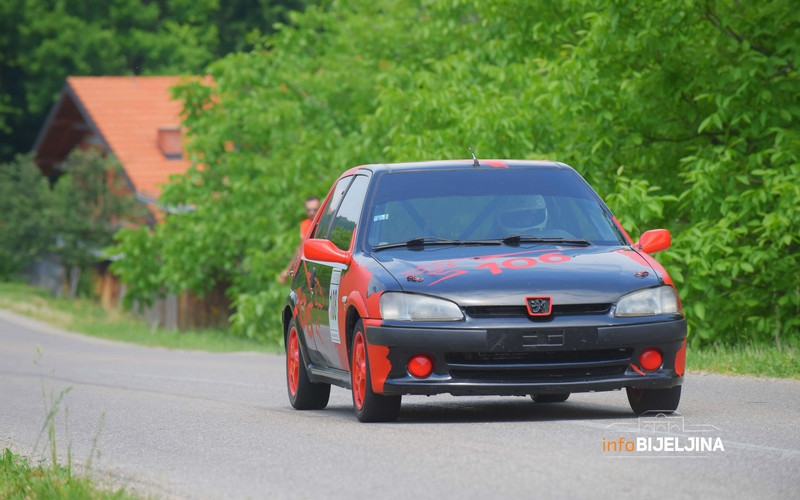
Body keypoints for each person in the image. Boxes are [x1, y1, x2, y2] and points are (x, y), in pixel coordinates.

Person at [280, 196, 321, 283]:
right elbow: (301, 248)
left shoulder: (325, 223)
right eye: (309, 210)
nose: (312, 213)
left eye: (315, 209)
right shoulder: (305, 224)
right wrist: (289, 270)